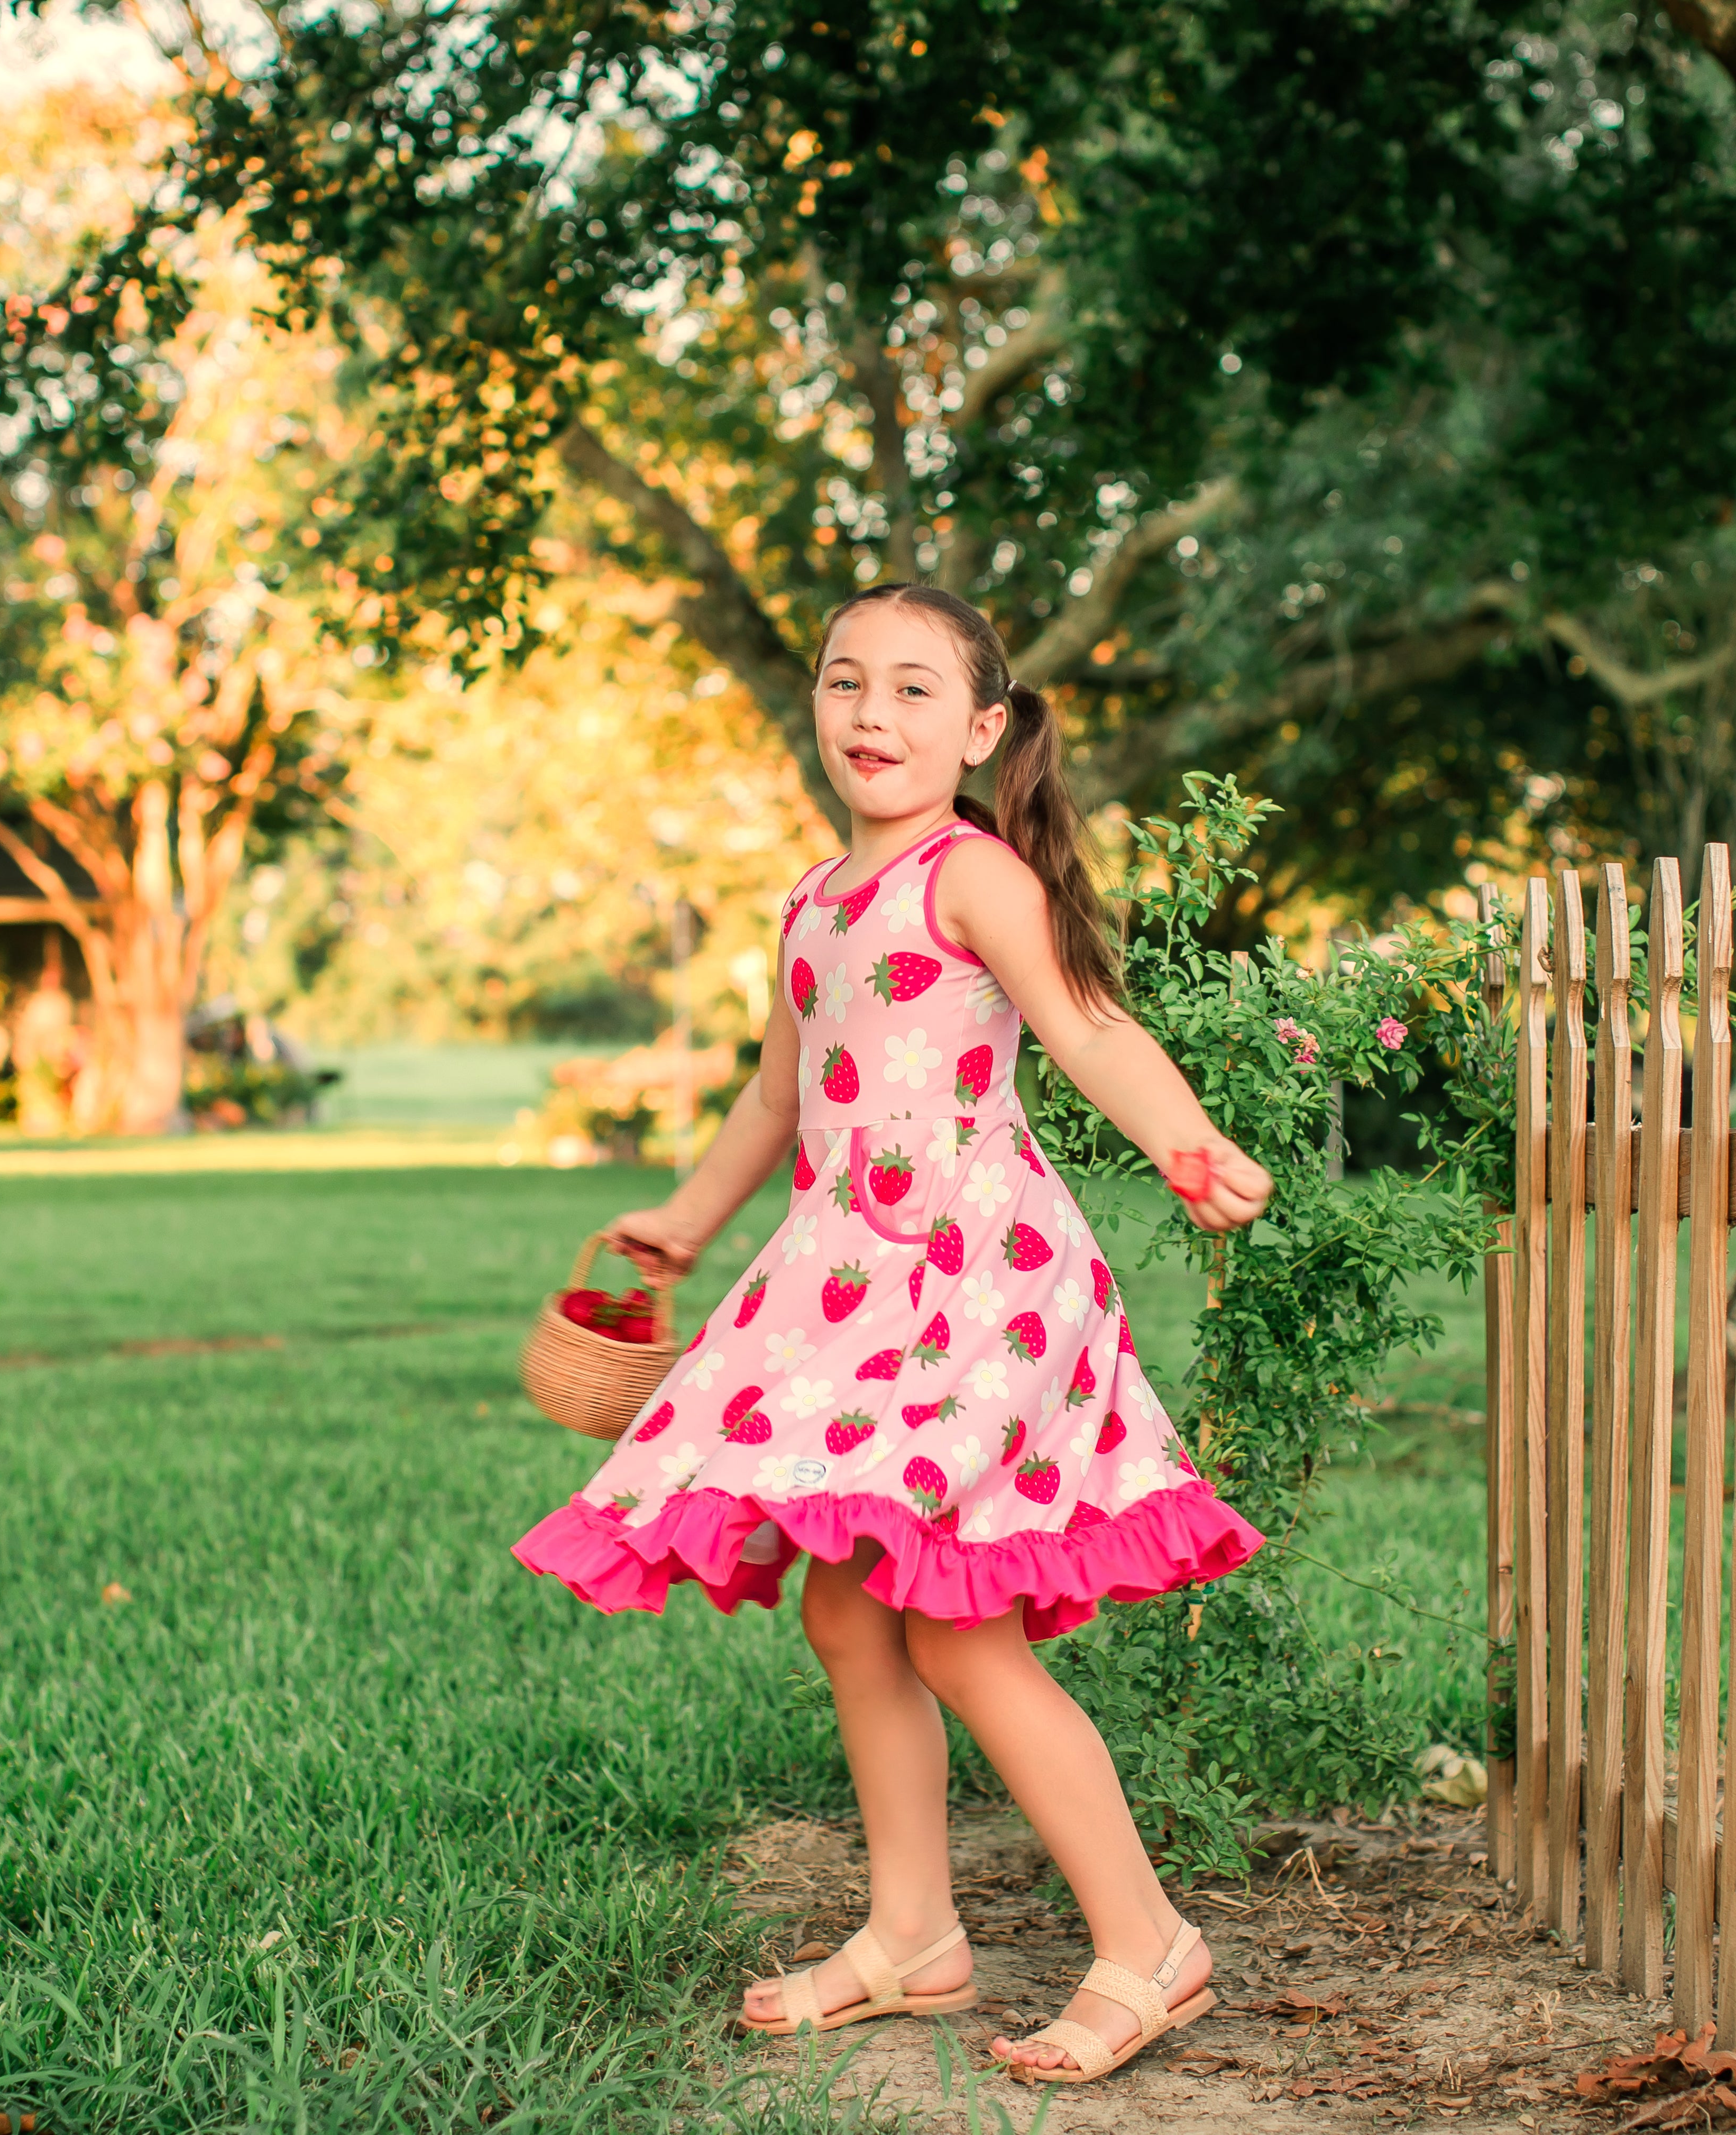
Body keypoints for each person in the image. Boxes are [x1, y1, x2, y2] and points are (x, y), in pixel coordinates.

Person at [513, 584, 1277, 2085]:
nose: (873, 715)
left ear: (983, 729)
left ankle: (1147, 1941)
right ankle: (914, 1933)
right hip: (847, 1276)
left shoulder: (973, 872)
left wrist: (1185, 1143)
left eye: (916, 691)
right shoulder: (811, 901)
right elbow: (773, 1100)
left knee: (946, 1617)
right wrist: (682, 1219)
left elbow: (1086, 1023)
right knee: (850, 1609)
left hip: (975, 1270)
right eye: (846, 682)